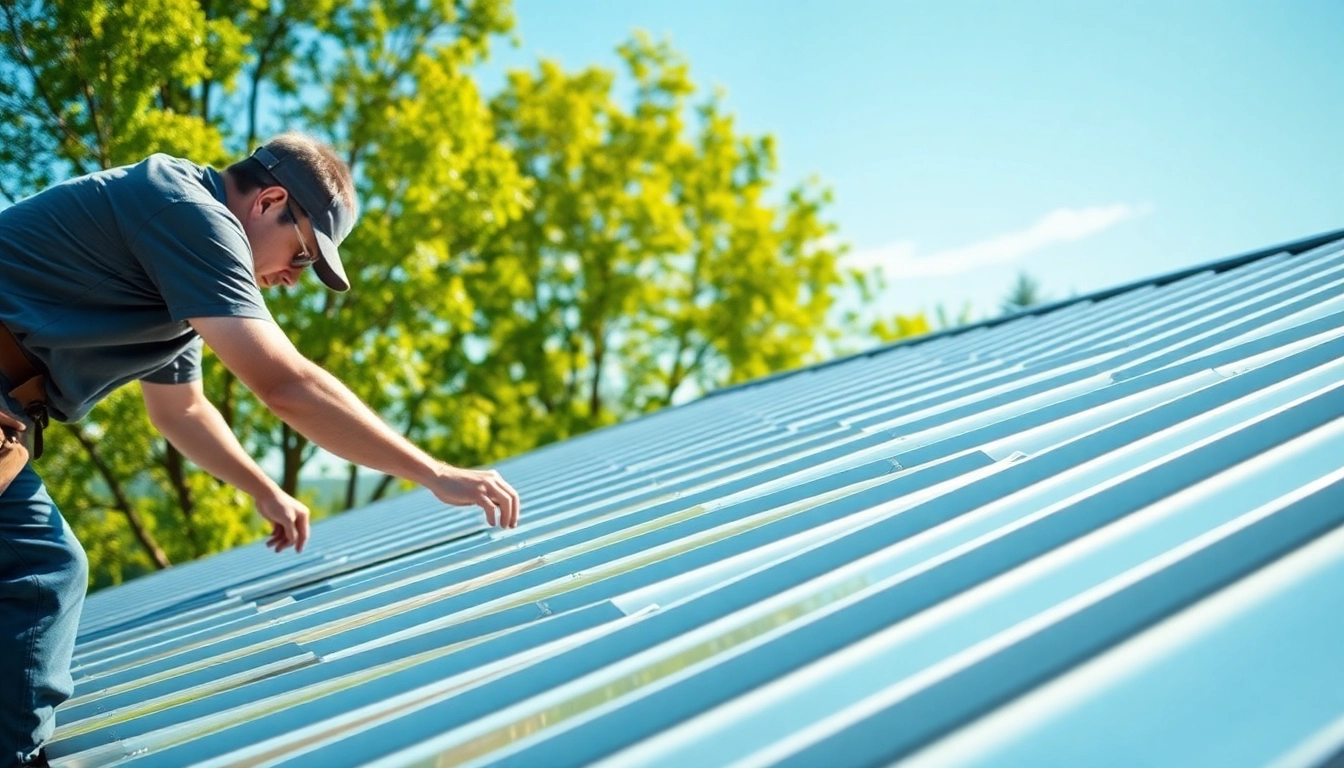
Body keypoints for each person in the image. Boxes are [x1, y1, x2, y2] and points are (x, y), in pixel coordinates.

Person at [0, 133, 521, 767]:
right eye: (301, 256)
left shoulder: (179, 273)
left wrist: (262, 489)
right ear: (269, 200)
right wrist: (435, 472)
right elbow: (285, 385)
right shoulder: (187, 214)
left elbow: (182, 410)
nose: (290, 280)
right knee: (42, 573)